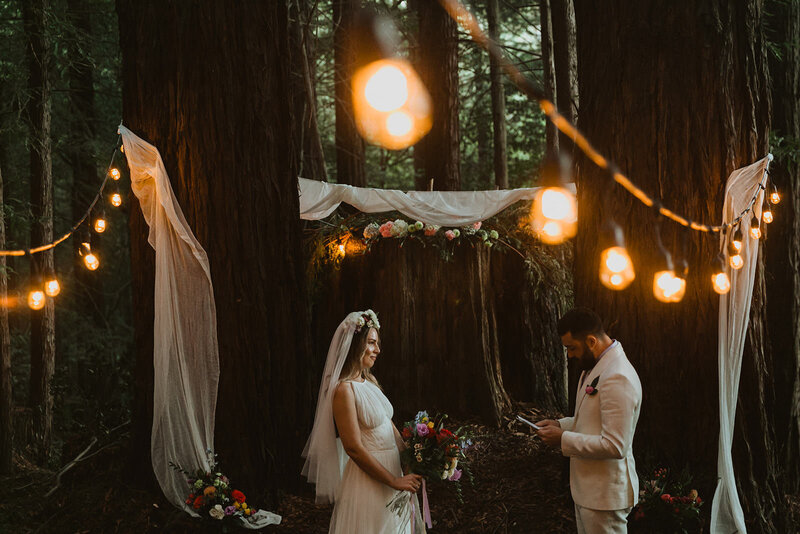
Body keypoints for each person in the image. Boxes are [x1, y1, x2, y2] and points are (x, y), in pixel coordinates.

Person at [302, 310, 425, 534]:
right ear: (356, 345)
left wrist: (410, 461)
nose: (377, 350)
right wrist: (392, 481)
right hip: (370, 480)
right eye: (371, 342)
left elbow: (390, 427)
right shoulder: (344, 390)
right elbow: (353, 448)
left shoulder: (369, 382)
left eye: (377, 343)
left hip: (394, 471)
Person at [537, 307, 642, 534]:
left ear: (591, 341)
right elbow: (592, 419)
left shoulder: (618, 376)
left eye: (572, 348)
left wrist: (563, 439)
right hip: (589, 492)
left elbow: (615, 445)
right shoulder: (594, 366)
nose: (570, 355)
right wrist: (560, 425)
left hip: (605, 496)